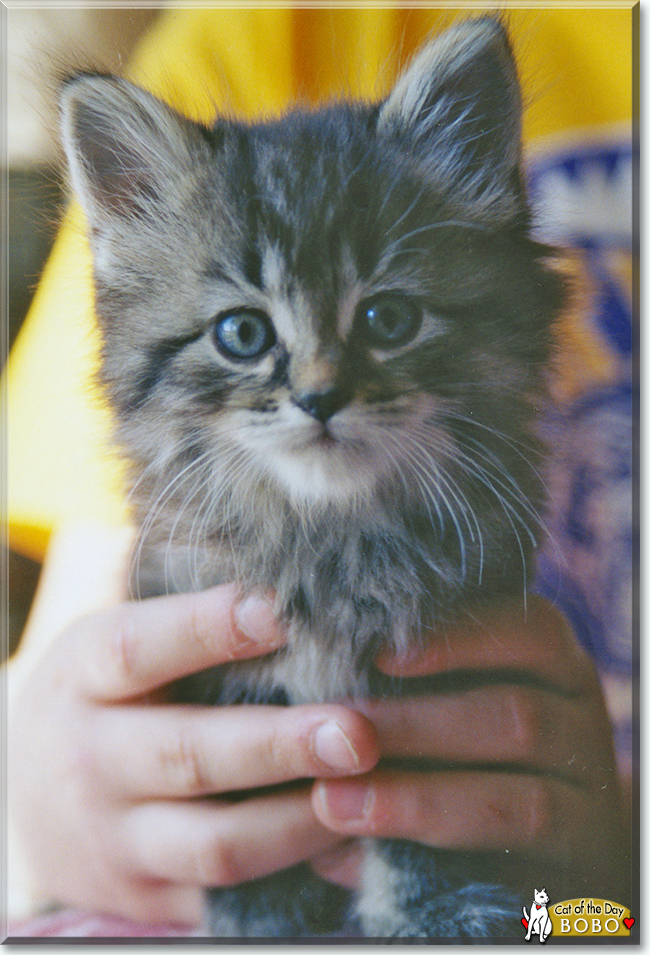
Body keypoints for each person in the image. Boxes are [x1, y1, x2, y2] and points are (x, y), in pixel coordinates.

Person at [6, 6, 635, 938]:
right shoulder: (242, 36)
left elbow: (568, 918)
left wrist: (599, 902)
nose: (319, 386)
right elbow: (61, 716)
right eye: (245, 333)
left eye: (384, 320)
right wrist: (39, 808)